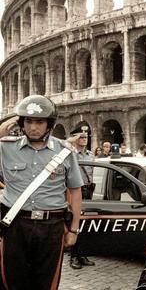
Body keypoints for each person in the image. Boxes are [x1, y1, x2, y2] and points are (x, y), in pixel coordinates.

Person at [0, 95, 84, 290]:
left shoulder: (65, 151)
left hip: (51, 227)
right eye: (28, 121)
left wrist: (73, 230)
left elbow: (76, 192)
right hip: (15, 225)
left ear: (49, 124)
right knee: (11, 280)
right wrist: (8, 123)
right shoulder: (5, 148)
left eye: (39, 121)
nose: (33, 127)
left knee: (47, 282)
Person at [66, 131, 96, 269]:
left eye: (85, 137)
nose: (84, 139)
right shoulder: (71, 154)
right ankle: (73, 257)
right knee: (75, 222)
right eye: (81, 137)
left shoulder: (90, 155)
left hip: (89, 189)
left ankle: (82, 254)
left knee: (85, 224)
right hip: (76, 190)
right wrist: (71, 140)